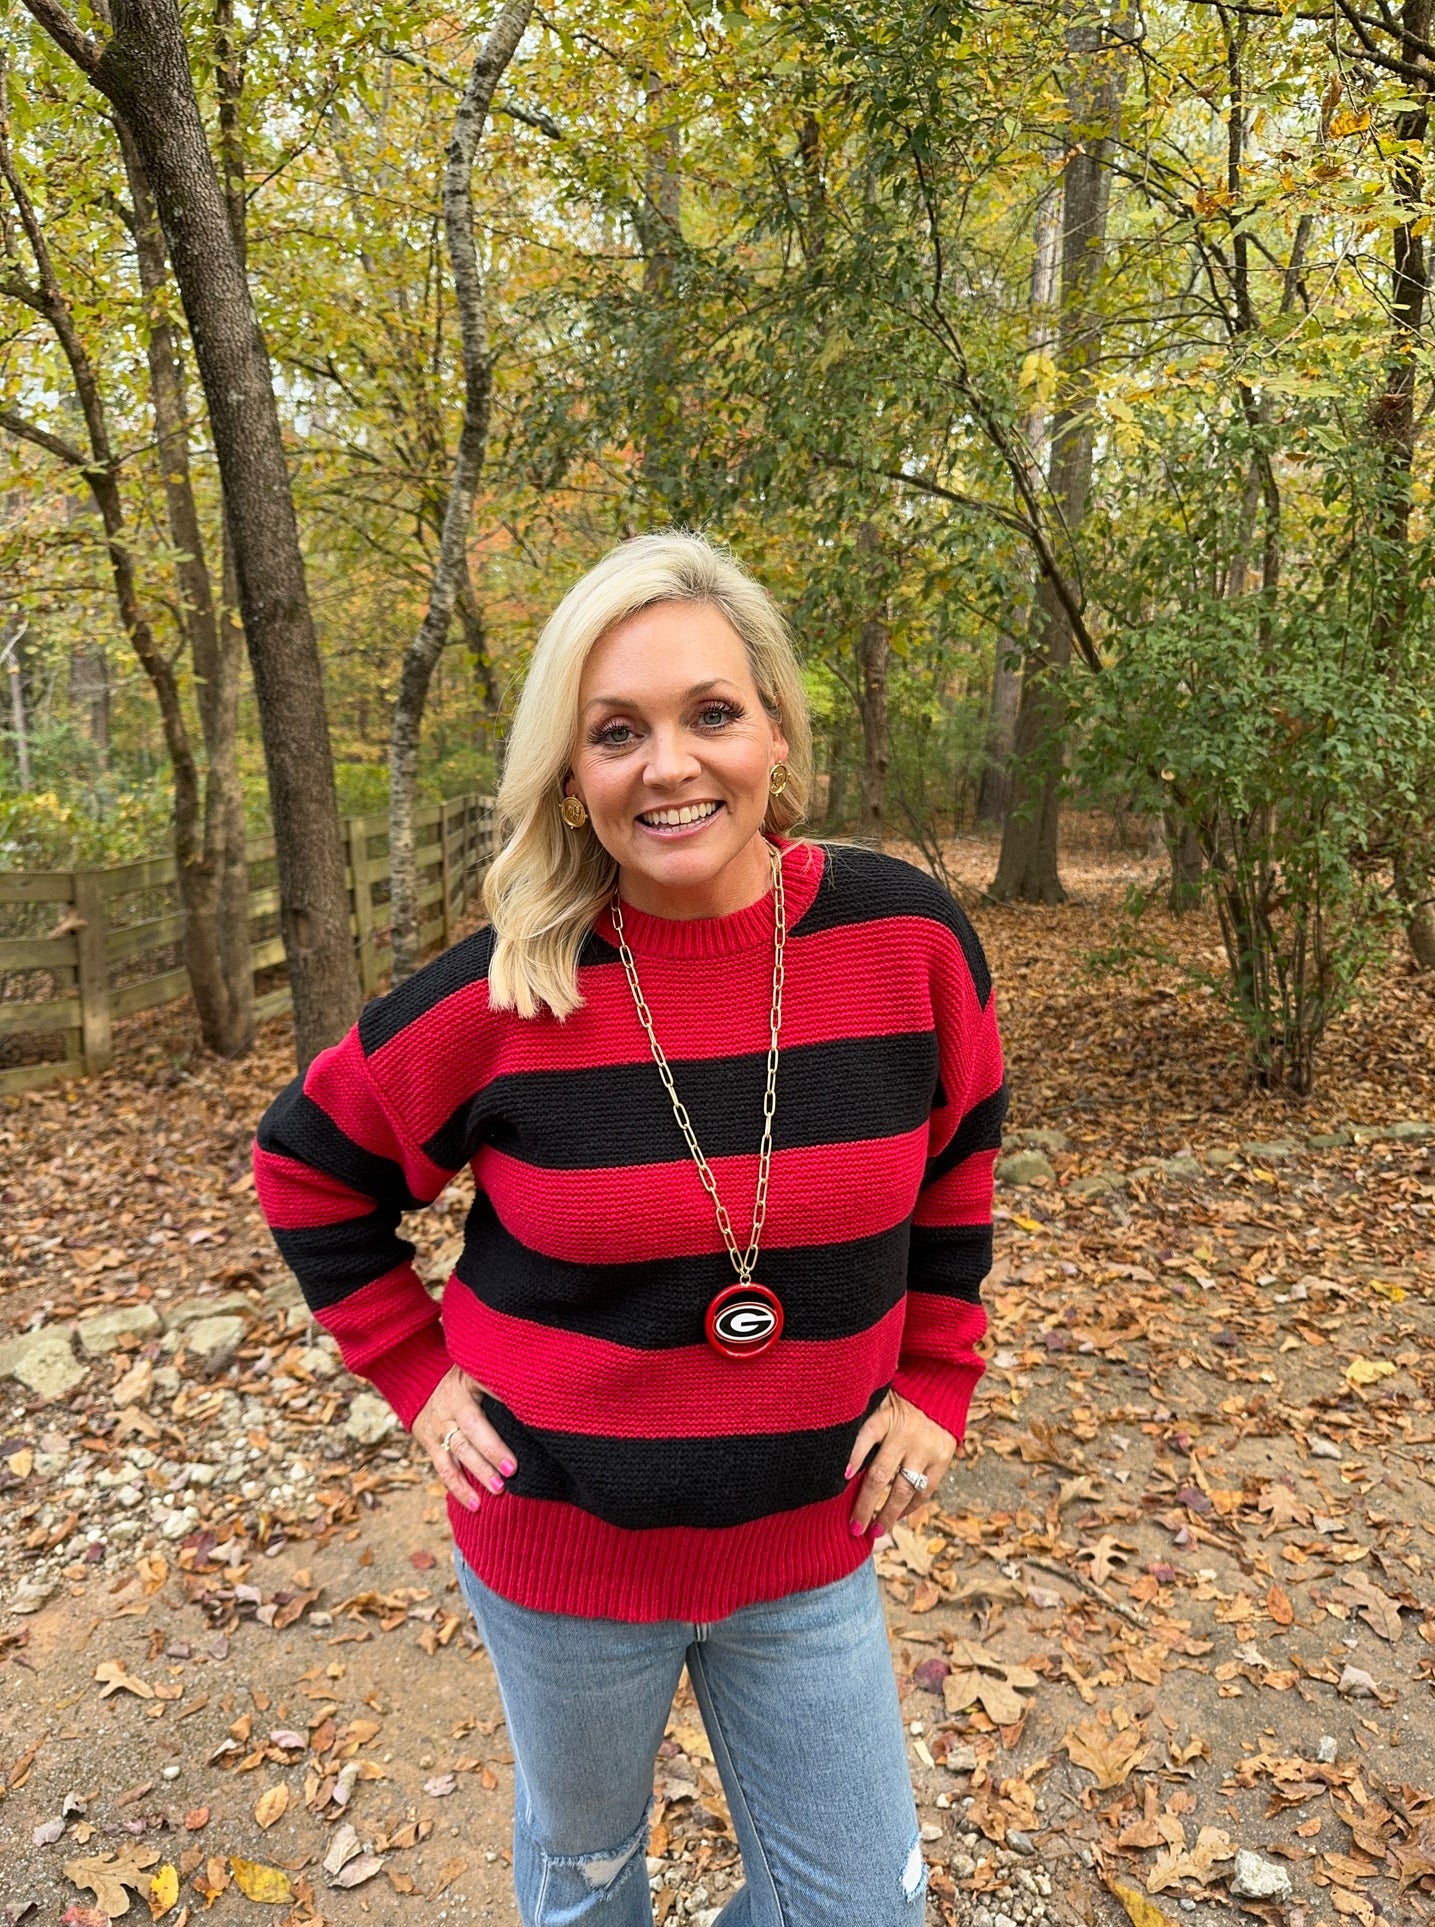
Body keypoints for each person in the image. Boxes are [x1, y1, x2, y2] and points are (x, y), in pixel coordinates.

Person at [253, 532, 1005, 1927]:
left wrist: (939, 1379)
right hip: (562, 1553)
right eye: (617, 731)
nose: (668, 765)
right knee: (589, 1882)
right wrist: (414, 1378)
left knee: (860, 1910)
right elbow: (308, 1169)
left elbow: (957, 1162)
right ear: (570, 771)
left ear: (774, 729)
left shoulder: (903, 941)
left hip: (806, 1544)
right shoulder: (505, 994)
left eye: (710, 713)